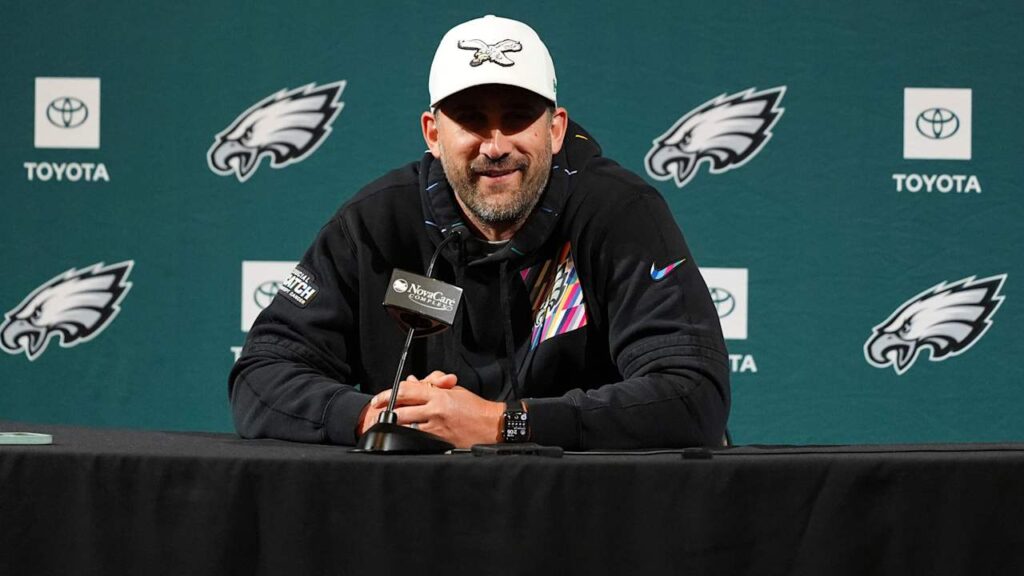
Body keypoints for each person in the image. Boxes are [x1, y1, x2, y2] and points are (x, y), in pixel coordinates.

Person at [229, 15, 730, 449]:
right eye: (471, 120)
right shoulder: (375, 223)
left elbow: (693, 395)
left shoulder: (618, 214)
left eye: (516, 119)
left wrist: (503, 424)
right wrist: (374, 416)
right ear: (433, 133)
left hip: (585, 509)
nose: (495, 146)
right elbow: (262, 372)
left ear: (555, 130)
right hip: (422, 510)